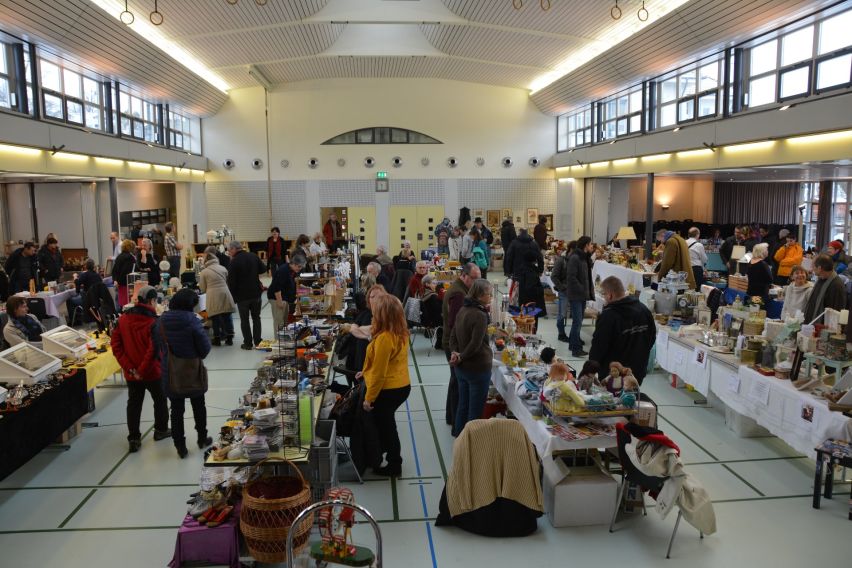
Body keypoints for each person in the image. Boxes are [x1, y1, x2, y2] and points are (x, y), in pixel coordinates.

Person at [356, 294, 411, 477]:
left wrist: (368, 399)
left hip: (388, 390)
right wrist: (365, 372)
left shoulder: (385, 338)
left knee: (387, 427)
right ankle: (385, 456)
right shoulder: (400, 332)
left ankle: (395, 464)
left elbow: (380, 373)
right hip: (402, 385)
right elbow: (385, 363)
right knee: (387, 424)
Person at [110, 286, 170, 452]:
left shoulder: (122, 320)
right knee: (160, 399)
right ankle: (161, 430)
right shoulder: (153, 322)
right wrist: (141, 371)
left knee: (134, 404)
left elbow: (116, 346)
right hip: (152, 372)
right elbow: (154, 350)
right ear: (151, 301)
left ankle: (134, 438)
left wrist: (130, 369)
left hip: (131, 374)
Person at [155, 288, 212, 458]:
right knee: (198, 406)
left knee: (176, 410)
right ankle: (202, 438)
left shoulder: (162, 320)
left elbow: (157, 343)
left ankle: (180, 447)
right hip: (192, 369)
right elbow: (204, 347)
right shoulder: (192, 321)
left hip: (171, 371)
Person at [589, 276, 656, 385]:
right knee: (631, 398)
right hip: (637, 371)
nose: (604, 298)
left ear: (610, 295)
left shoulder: (608, 316)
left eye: (604, 295)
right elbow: (651, 338)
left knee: (611, 400)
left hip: (613, 373)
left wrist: (591, 368)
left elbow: (598, 346)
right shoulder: (643, 309)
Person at [449, 279, 493, 436]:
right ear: (480, 296)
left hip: (462, 369)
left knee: (463, 405)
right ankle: (471, 442)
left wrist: (455, 353)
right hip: (477, 368)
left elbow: (453, 335)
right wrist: (461, 356)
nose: (491, 297)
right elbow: (476, 344)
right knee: (475, 410)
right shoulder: (480, 315)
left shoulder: (463, 309)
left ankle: (459, 436)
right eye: (489, 294)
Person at [442, 263, 481, 427]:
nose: (476, 283)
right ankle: (456, 418)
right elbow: (454, 323)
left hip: (453, 343)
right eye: (474, 279)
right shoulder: (459, 294)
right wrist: (458, 350)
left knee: (455, 381)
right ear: (464, 276)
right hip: (455, 345)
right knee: (458, 382)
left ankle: (452, 416)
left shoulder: (461, 290)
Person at [226, 241, 266, 350]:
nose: (229, 252)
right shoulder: (253, 256)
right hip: (256, 293)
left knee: (244, 320)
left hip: (242, 296)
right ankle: (258, 341)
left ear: (234, 249)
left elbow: (231, 282)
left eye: (229, 250)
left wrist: (233, 297)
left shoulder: (234, 262)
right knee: (256, 318)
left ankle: (248, 344)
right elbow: (263, 269)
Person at [198, 248, 236, 346]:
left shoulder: (204, 272)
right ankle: (230, 338)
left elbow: (202, 288)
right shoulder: (223, 268)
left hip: (212, 295)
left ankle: (217, 339)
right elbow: (228, 282)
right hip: (225, 293)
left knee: (215, 318)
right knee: (227, 316)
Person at [564, 236, 594, 356]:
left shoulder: (584, 258)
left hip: (582, 295)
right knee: (577, 322)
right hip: (576, 294)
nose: (592, 246)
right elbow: (571, 277)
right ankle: (576, 349)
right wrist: (582, 289)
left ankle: (572, 345)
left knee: (579, 320)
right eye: (590, 244)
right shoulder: (575, 258)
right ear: (585, 245)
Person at [803, 254, 846, 323]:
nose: (812, 269)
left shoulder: (836, 285)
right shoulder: (821, 279)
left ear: (819, 268)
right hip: (811, 326)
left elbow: (835, 313)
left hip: (822, 328)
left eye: (813, 266)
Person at [268, 257, 304, 334]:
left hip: (285, 298)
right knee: (279, 322)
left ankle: (283, 340)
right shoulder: (283, 270)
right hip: (277, 298)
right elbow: (276, 286)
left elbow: (292, 284)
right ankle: (278, 342)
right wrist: (279, 301)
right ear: (293, 264)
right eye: (299, 266)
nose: (300, 269)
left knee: (284, 322)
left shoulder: (292, 270)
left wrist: (301, 291)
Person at [112, 239, 137, 308]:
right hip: (126, 284)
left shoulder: (119, 257)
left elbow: (114, 270)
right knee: (127, 305)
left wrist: (116, 280)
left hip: (119, 284)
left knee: (121, 303)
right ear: (131, 247)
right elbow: (127, 272)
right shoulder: (130, 258)